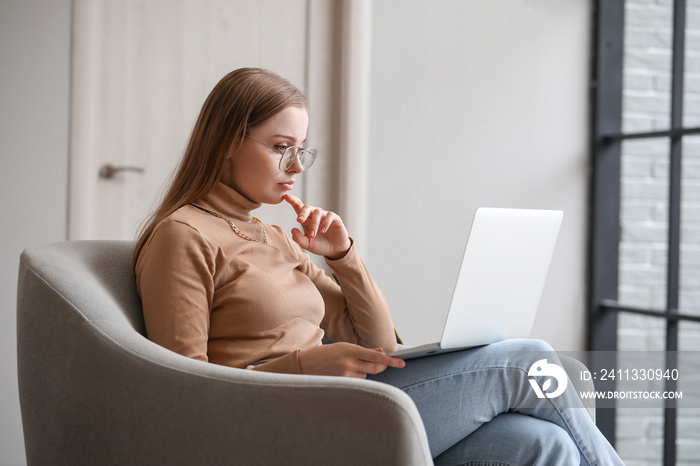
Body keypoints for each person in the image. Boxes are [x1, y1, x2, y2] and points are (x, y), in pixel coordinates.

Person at [134, 67, 623, 465]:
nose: (297, 167)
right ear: (227, 142)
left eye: (300, 150)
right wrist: (306, 366)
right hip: (279, 421)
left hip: (341, 400)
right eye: (280, 147)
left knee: (543, 444)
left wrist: (344, 258)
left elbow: (379, 344)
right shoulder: (184, 236)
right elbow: (181, 389)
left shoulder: (277, 237)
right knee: (526, 359)